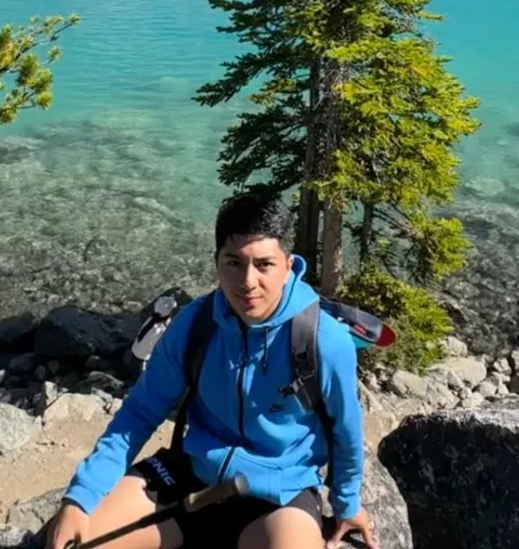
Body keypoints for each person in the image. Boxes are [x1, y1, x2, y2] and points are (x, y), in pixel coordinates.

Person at [47, 194, 379, 549]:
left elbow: (346, 429)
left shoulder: (321, 340)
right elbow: (141, 412)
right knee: (77, 540)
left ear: (288, 265)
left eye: (264, 264)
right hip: (191, 475)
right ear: (216, 262)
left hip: (279, 495)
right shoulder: (195, 324)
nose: (248, 281)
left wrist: (346, 504)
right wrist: (82, 496)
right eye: (233, 262)